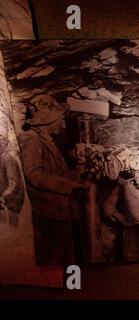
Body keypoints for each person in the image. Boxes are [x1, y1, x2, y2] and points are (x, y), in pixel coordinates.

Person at [19, 94, 89, 265]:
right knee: (53, 261)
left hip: (57, 211)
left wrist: (79, 172)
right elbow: (34, 174)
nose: (63, 124)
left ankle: (70, 287)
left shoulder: (44, 139)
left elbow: (56, 173)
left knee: (65, 259)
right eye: (61, 119)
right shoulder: (31, 139)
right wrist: (71, 186)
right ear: (48, 120)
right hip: (46, 213)